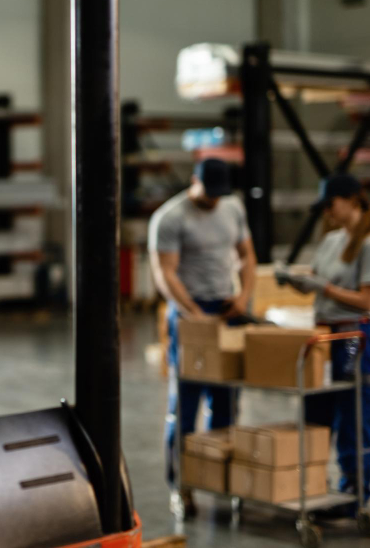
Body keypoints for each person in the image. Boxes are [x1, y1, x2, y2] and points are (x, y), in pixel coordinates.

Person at [148, 158, 257, 511]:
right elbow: (165, 274)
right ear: (194, 181)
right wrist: (194, 315)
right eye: (208, 193)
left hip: (227, 310)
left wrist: (243, 297)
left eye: (219, 195)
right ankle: (181, 487)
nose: (214, 200)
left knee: (226, 401)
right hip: (191, 315)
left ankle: (221, 480)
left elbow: (247, 256)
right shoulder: (170, 217)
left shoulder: (233, 207)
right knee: (186, 403)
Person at [276, 174, 370, 514]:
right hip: (323, 336)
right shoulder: (332, 240)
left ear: (352, 199)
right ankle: (313, 487)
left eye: (331, 205)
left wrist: (322, 287)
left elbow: (368, 300)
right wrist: (296, 280)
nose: (328, 213)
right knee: (316, 413)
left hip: (353, 339)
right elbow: (318, 280)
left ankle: (354, 492)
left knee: (352, 413)